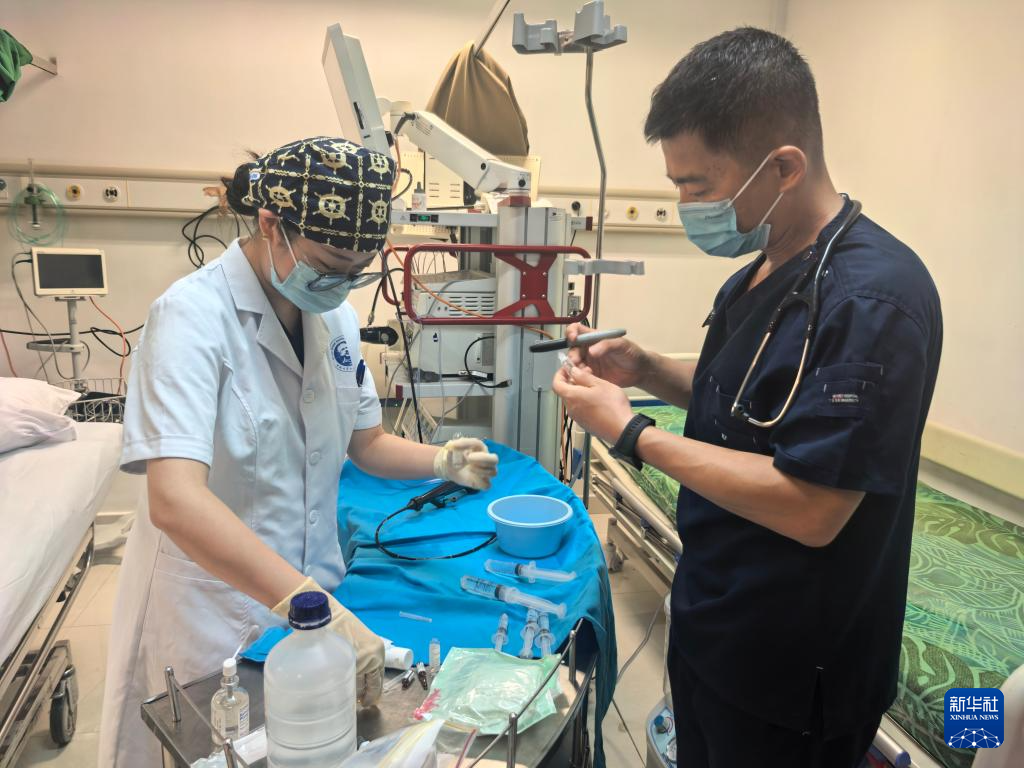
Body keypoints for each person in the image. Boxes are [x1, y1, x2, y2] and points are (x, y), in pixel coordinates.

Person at [552, 28, 942, 768]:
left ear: (785, 166)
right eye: (675, 184)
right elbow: (745, 403)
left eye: (698, 186)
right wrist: (644, 368)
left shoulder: (873, 300)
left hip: (794, 674)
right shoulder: (763, 270)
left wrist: (631, 433)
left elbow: (813, 507)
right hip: (719, 623)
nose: (683, 204)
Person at [99, 137, 498, 765]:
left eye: (358, 270)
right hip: (216, 611)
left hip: (310, 598)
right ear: (270, 224)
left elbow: (366, 443)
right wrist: (313, 609)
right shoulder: (190, 318)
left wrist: (440, 462)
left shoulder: (334, 319)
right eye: (330, 263)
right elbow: (174, 501)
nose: (341, 283)